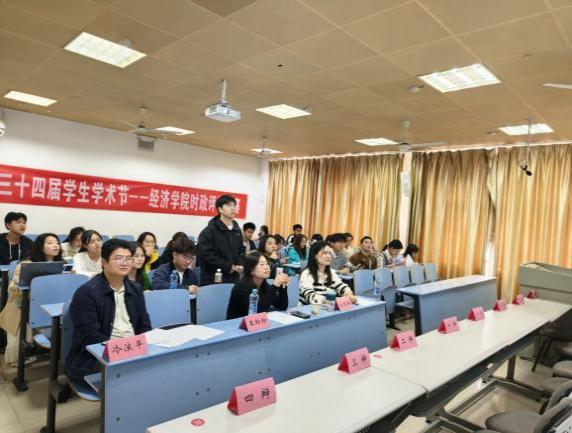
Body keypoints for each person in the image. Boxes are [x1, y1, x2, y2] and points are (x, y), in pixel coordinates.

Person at [65, 239, 151, 385]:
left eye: (128, 258)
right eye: (118, 258)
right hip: (96, 357)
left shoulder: (135, 289)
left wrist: (139, 348)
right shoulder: (87, 293)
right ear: (104, 262)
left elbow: (144, 325)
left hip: (132, 349)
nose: (124, 262)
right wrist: (126, 351)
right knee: (136, 378)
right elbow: (91, 337)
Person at [0, 233, 63, 364]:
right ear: (40, 246)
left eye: (57, 243)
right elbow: (12, 288)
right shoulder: (27, 264)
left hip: (48, 306)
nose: (55, 245)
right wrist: (23, 286)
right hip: (22, 306)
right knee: (18, 356)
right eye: (50, 243)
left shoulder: (62, 265)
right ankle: (25, 353)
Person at [197, 195, 245, 285]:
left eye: (234, 205)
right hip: (213, 278)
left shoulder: (237, 230)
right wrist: (228, 266)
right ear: (220, 209)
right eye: (228, 205)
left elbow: (242, 250)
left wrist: (240, 264)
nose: (233, 208)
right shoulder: (209, 231)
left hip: (234, 277)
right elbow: (206, 254)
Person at [226, 252, 289, 320]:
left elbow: (282, 306)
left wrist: (283, 286)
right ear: (251, 270)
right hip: (237, 324)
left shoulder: (264, 285)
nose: (267, 267)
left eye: (267, 264)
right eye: (262, 264)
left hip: (256, 324)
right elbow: (258, 311)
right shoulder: (241, 287)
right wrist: (275, 286)